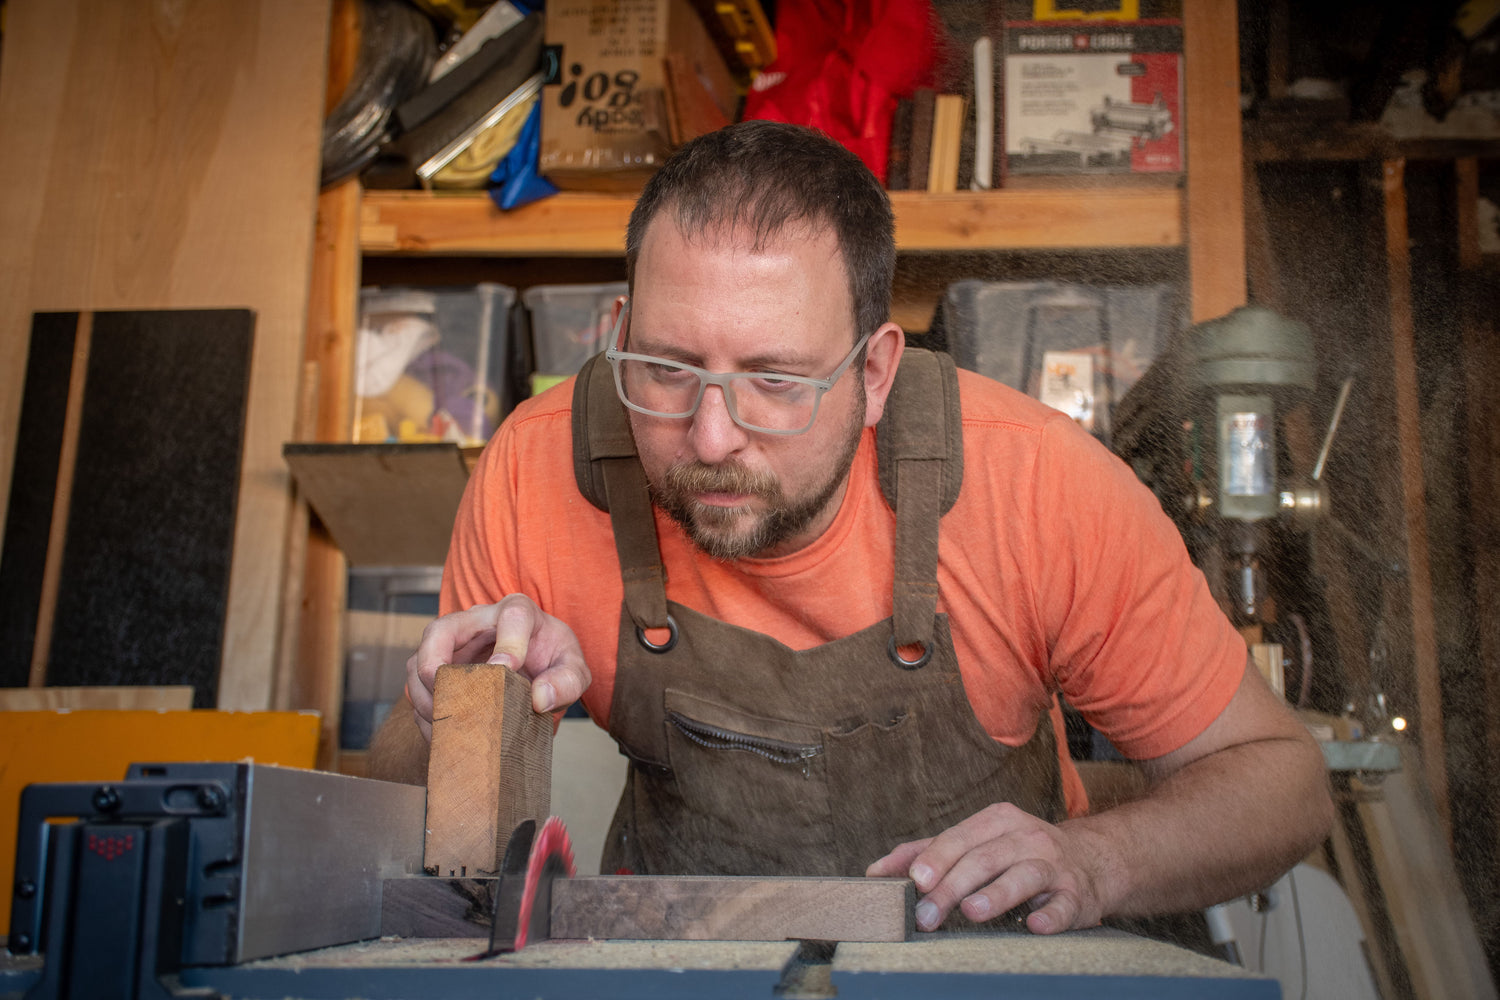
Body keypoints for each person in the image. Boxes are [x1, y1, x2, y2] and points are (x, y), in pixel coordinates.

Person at [370, 119, 1333, 936]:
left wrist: (1094, 861)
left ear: (875, 372)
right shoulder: (539, 466)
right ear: (616, 331)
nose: (712, 436)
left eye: (777, 382)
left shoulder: (1040, 486)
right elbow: (386, 811)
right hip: (687, 972)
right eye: (665, 369)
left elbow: (1281, 784)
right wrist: (448, 712)